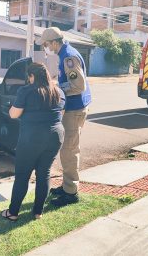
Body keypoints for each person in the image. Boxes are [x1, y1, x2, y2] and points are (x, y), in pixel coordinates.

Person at [1, 63, 65, 221]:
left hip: (32, 137)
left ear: (32, 76)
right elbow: (61, 113)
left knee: (22, 175)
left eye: (29, 77)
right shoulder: (58, 91)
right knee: (44, 174)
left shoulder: (26, 90)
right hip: (56, 136)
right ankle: (38, 212)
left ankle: (13, 213)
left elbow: (14, 114)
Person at [36, 27, 92, 207]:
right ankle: (67, 185)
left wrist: (56, 89)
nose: (46, 47)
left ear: (54, 42)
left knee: (69, 150)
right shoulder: (66, 53)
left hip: (75, 110)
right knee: (67, 149)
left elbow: (79, 85)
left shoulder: (68, 57)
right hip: (74, 108)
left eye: (46, 44)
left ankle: (71, 193)